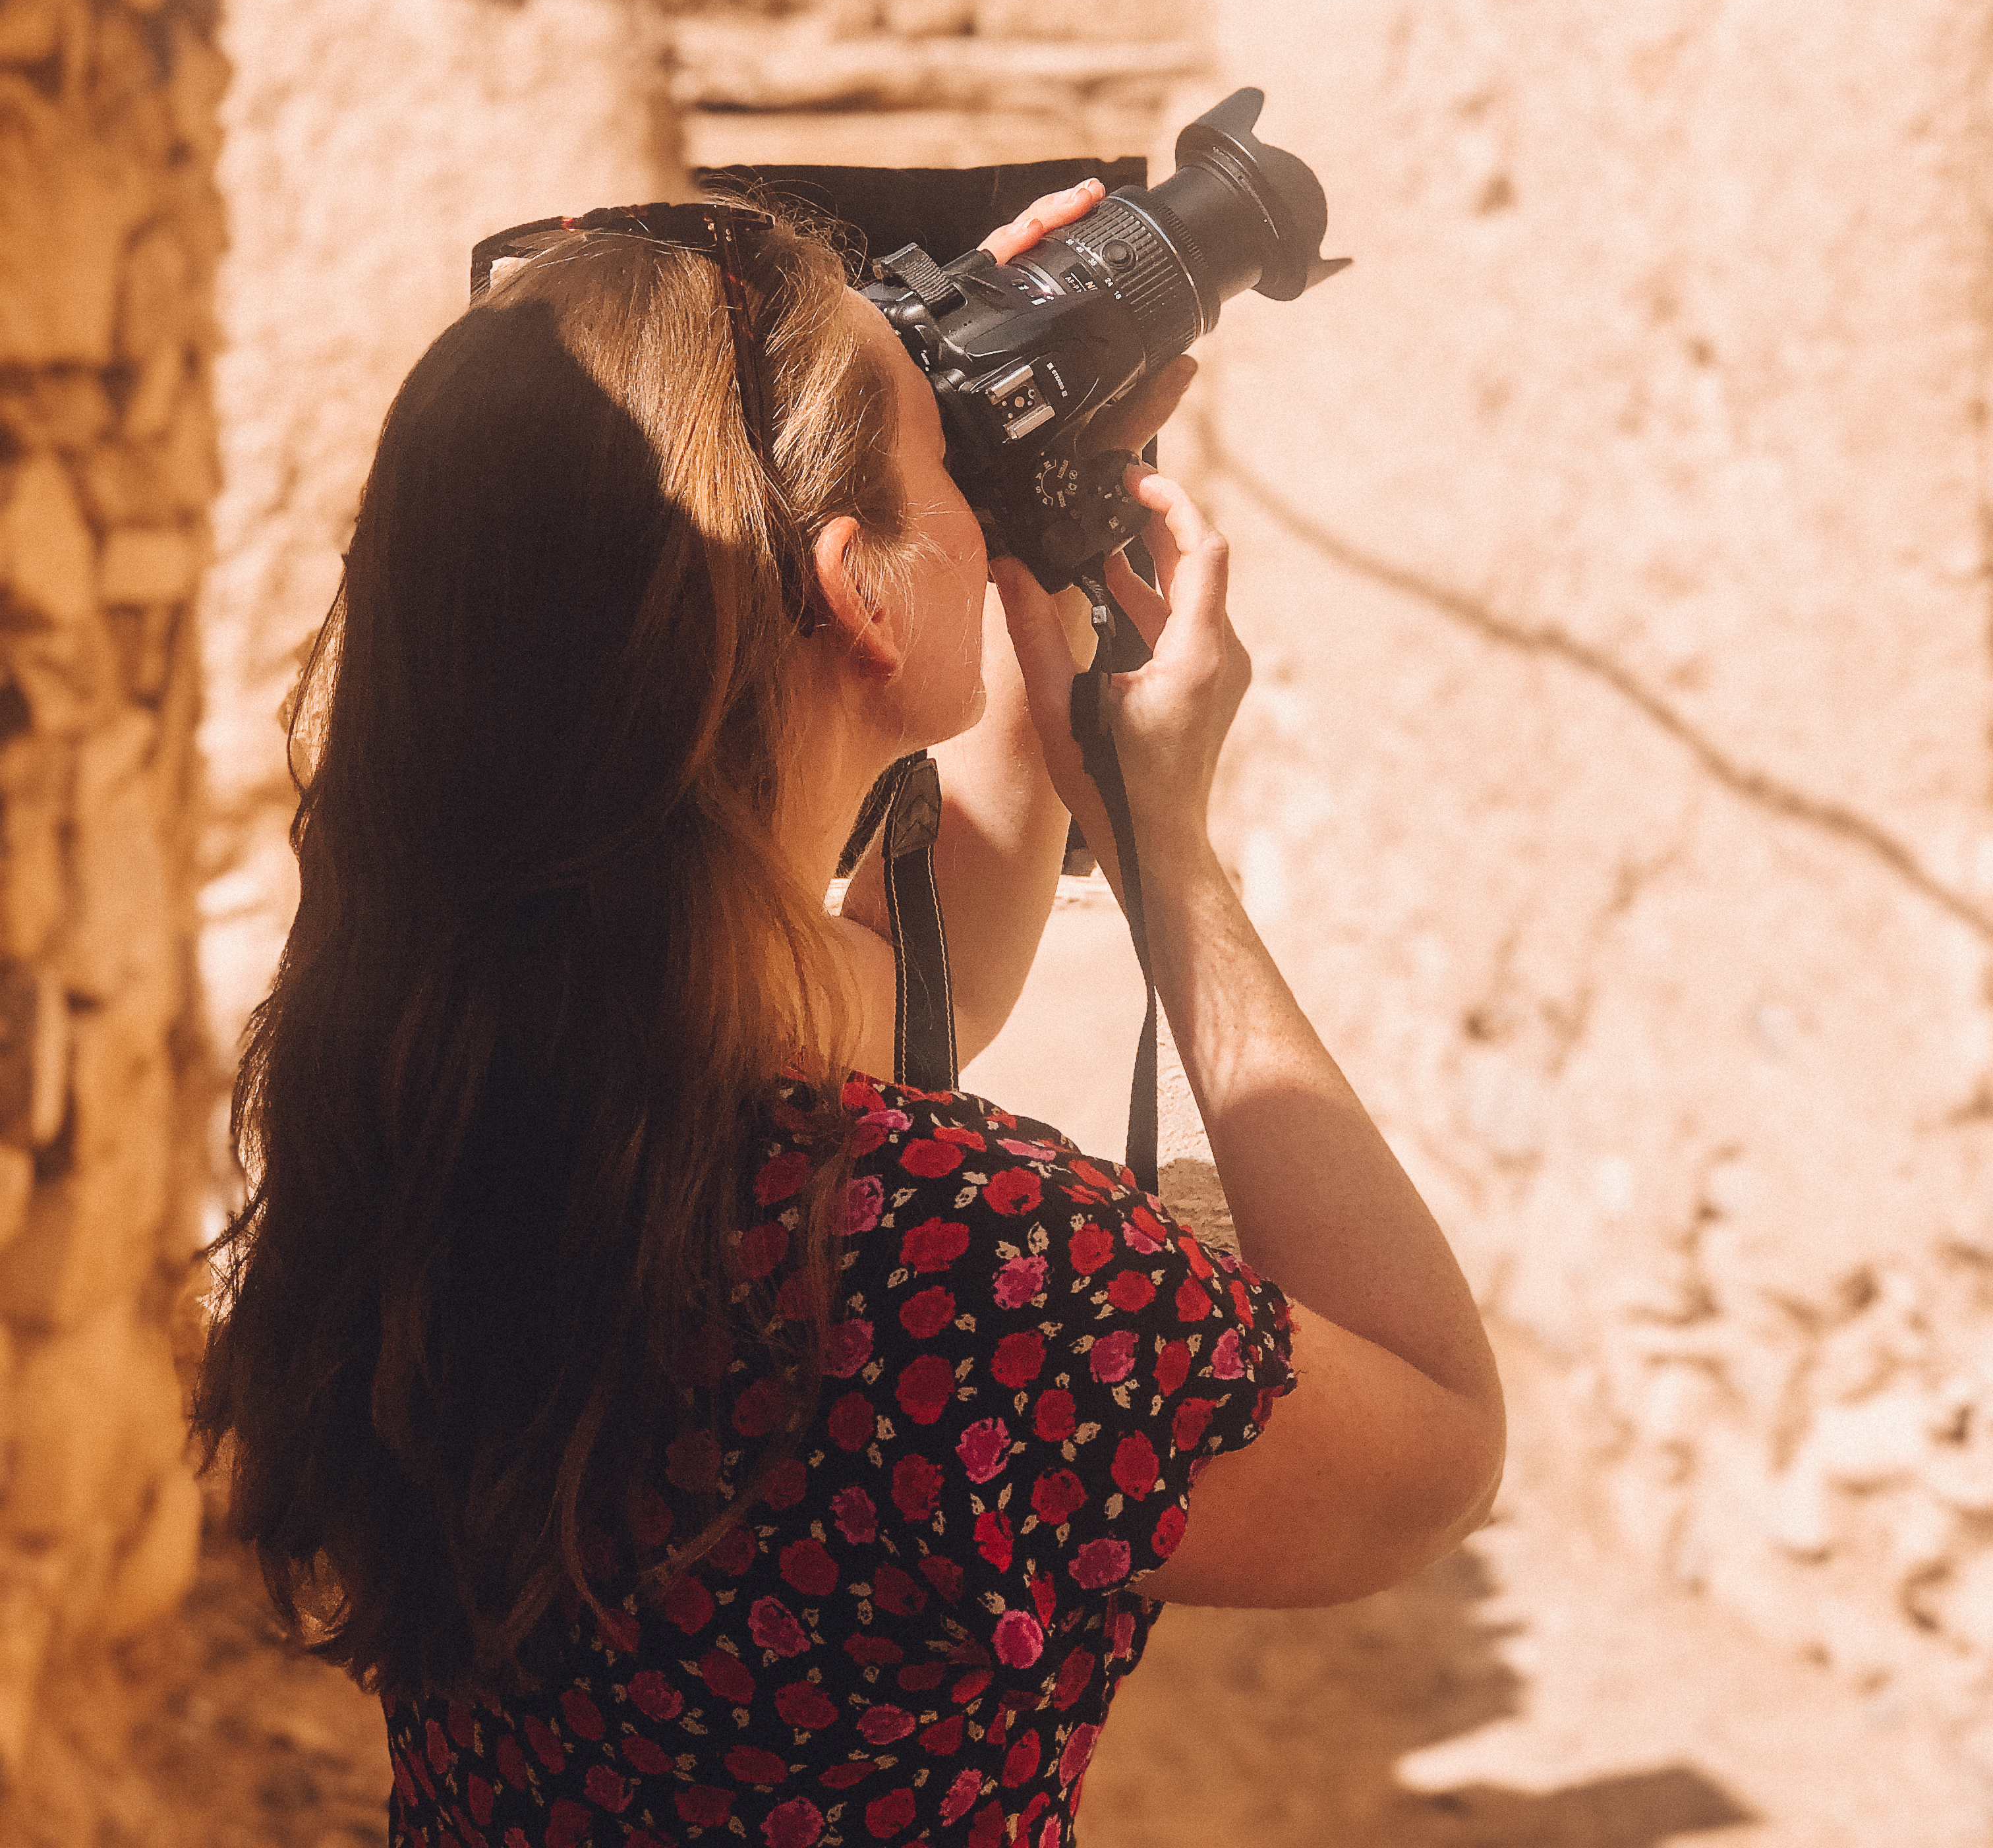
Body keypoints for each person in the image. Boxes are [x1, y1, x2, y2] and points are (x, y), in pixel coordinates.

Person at [192, 180, 1504, 1848]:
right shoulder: (948, 1257)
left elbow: (924, 955)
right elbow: (1433, 1446)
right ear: (860, 596)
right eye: (941, 477)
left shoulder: (448, 1066)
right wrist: (1168, 849)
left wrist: (1011, 493)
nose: (964, 502)